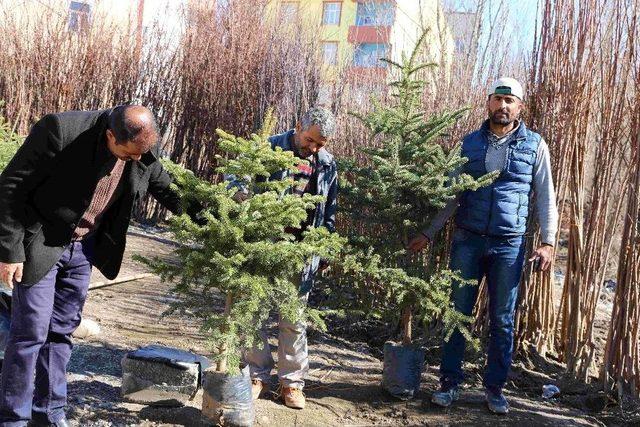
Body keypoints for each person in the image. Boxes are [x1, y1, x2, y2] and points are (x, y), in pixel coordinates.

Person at [0, 105, 193, 426]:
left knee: (61, 333)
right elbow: (10, 187)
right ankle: (13, 419)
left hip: (83, 249)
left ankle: (49, 414)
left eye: (140, 154)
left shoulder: (139, 145)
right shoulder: (60, 130)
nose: (136, 160)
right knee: (30, 333)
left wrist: (216, 220)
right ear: (110, 135)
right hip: (41, 242)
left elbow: (166, 187)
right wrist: (9, 251)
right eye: (128, 154)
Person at [408, 78, 559, 414]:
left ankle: (495, 389)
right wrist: (430, 232)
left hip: (509, 245)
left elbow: (546, 196)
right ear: (488, 102)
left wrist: (548, 242)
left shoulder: (535, 145)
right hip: (468, 239)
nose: (503, 105)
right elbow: (453, 194)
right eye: (498, 99)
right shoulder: (469, 144)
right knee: (457, 313)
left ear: (520, 107)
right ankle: (448, 384)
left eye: (510, 100)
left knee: (503, 319)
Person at [239, 106, 338, 410]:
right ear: (298, 126)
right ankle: (255, 376)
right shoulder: (269, 148)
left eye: (320, 144)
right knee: (252, 310)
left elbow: (329, 210)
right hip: (263, 245)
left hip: (301, 251)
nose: (314, 148)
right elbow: (238, 184)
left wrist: (323, 248)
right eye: (310, 140)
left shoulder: (327, 163)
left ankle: (291, 383)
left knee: (293, 317)